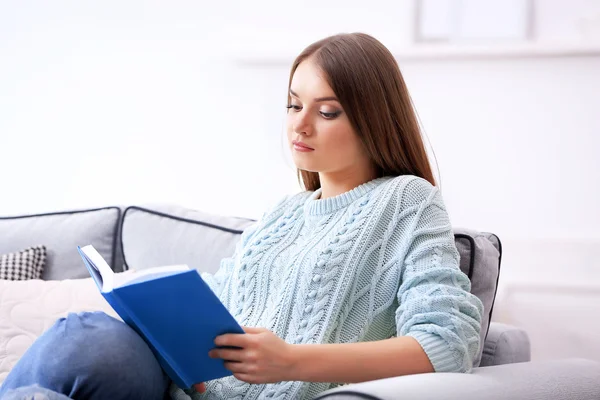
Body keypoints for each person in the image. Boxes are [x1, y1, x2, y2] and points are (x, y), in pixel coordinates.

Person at [0, 32, 483, 400]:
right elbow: (221, 309)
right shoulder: (282, 214)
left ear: (374, 117)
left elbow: (448, 344)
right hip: (188, 390)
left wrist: (291, 361)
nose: (299, 123)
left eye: (327, 111)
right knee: (76, 340)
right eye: (293, 105)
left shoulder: (406, 201)